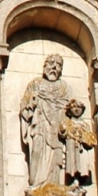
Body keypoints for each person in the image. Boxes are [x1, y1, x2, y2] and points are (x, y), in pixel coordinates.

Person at [19, 55, 72, 188]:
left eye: (59, 65)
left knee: (56, 158)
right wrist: (32, 101)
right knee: (37, 151)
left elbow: (72, 110)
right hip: (40, 126)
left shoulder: (64, 87)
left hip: (57, 130)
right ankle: (36, 184)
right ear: (45, 67)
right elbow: (24, 108)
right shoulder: (36, 84)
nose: (54, 67)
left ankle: (52, 186)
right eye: (51, 63)